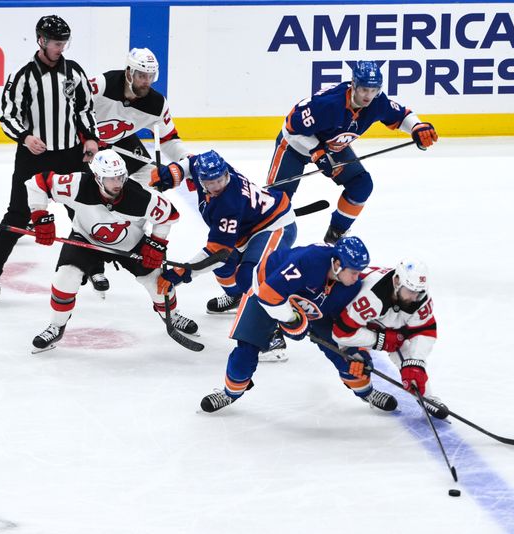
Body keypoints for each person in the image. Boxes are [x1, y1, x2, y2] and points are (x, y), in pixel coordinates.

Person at [199, 236, 400, 414]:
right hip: (265, 291)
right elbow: (269, 296)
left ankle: (367, 392)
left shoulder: (350, 287)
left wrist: (359, 355)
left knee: (346, 355)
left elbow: (347, 328)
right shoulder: (309, 261)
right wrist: (292, 321)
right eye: (354, 272)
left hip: (310, 302)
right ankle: (230, 393)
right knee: (246, 349)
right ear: (337, 264)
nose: (358, 278)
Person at [23, 149, 197, 353]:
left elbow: (169, 216)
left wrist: (156, 243)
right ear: (97, 177)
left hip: (130, 244)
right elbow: (38, 183)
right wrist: (40, 216)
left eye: (120, 177)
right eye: (110, 178)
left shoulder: (140, 196)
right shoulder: (78, 185)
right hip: (86, 238)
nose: (117, 183)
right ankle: (56, 326)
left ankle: (172, 316)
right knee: (65, 277)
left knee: (157, 283)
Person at [0, 15, 99, 303]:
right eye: (57, 42)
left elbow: (84, 109)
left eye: (64, 42)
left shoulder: (74, 72)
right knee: (19, 214)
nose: (62, 48)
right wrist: (25, 137)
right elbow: (7, 116)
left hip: (70, 154)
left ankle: (94, 267)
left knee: (83, 211)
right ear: (42, 41)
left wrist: (91, 137)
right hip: (33, 158)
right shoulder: (23, 76)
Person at [265, 61, 438, 244]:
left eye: (373, 90)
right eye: (364, 89)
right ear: (353, 85)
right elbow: (293, 127)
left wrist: (417, 127)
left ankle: (336, 235)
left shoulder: (377, 102)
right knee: (276, 202)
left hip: (332, 147)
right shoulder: (329, 104)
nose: (368, 96)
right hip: (295, 146)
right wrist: (316, 152)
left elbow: (402, 115)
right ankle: (257, 246)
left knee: (361, 185)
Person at [153, 150, 297, 361]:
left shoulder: (228, 203)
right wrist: (171, 174)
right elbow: (190, 162)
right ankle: (236, 296)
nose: (217, 185)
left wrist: (179, 274)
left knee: (250, 276)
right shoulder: (210, 165)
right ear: (202, 179)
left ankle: (273, 334)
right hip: (245, 230)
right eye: (210, 182)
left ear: (226, 174)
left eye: (220, 179)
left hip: (274, 226)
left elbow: (216, 253)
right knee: (224, 267)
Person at [84, 47, 191, 295]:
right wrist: (85, 139)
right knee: (87, 197)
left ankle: (133, 235)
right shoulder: (102, 83)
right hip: (86, 142)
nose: (146, 81)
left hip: (121, 143)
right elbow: (73, 108)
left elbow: (169, 139)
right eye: (142, 75)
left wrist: (186, 161)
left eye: (151, 76)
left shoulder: (156, 103)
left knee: (151, 179)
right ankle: (94, 262)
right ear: (129, 71)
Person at [328, 258, 449, 419]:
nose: (414, 297)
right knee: (355, 364)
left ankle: (426, 397)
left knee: (412, 363)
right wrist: (380, 340)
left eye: (419, 292)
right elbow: (342, 333)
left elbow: (425, 330)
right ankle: (367, 393)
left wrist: (415, 363)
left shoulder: (418, 297)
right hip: (354, 324)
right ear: (397, 281)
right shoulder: (371, 297)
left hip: (385, 321)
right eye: (410, 291)